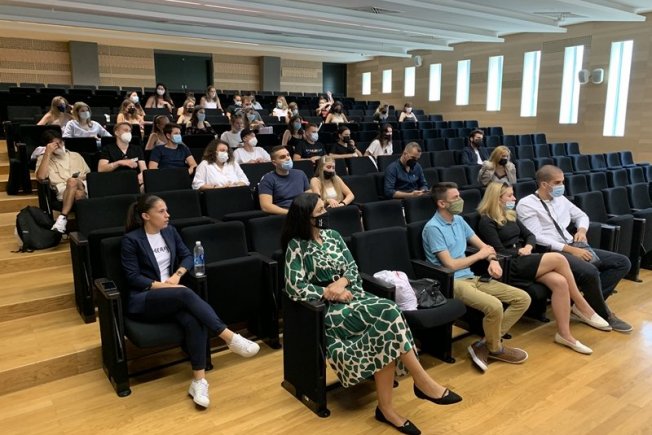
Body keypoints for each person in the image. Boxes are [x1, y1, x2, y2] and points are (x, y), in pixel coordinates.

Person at [283, 193, 462, 434]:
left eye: (324, 208)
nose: (325, 213)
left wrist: (342, 283)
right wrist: (329, 291)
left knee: (387, 323)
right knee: (388, 310)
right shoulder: (296, 246)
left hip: (354, 297)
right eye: (319, 211)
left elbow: (352, 269)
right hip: (328, 309)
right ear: (307, 218)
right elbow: (294, 286)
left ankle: (387, 408)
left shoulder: (333, 236)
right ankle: (420, 382)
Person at [121, 194, 260, 408]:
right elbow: (133, 278)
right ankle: (229, 337)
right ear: (146, 216)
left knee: (194, 319)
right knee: (185, 293)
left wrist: (177, 276)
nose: (167, 215)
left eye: (167, 210)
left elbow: (187, 256)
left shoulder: (170, 232)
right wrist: (166, 287)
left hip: (171, 295)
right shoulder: (131, 240)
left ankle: (198, 381)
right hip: (144, 299)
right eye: (161, 211)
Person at [477, 182, 610, 354]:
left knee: (560, 282)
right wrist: (520, 251)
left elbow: (530, 236)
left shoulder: (510, 215)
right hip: (509, 265)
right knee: (558, 258)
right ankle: (582, 304)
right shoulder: (486, 221)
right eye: (509, 195)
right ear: (497, 198)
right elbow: (498, 250)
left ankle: (564, 335)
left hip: (525, 258)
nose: (514, 198)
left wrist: (528, 247)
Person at [422, 182, 531, 372]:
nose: (460, 200)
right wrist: (480, 256)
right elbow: (450, 265)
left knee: (522, 298)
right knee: (495, 306)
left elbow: (485, 247)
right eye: (455, 197)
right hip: (452, 281)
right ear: (442, 203)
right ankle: (495, 348)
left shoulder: (459, 220)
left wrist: (492, 260)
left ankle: (484, 344)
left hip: (471, 277)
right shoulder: (433, 228)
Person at [516, 165, 633, 333]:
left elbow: (581, 215)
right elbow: (537, 237)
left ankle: (584, 305)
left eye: (562, 181)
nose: (562, 186)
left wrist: (582, 230)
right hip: (551, 251)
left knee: (622, 262)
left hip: (573, 244)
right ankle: (603, 313)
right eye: (557, 182)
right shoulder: (526, 204)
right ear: (544, 184)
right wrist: (571, 250)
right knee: (590, 271)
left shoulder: (560, 199)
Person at [35, 130, 90, 233]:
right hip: (63, 190)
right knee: (78, 194)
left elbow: (88, 175)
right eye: (56, 144)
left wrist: (78, 179)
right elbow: (41, 177)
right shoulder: (43, 159)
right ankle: (84, 228)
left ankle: (62, 218)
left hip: (82, 184)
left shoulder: (76, 155)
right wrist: (47, 153)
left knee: (72, 181)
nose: (60, 146)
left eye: (61, 142)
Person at [258, 145, 310, 215]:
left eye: (288, 155)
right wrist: (291, 213)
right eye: (282, 157)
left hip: (303, 211)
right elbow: (266, 206)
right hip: (284, 214)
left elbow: (310, 196)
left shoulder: (300, 174)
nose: (288, 158)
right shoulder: (267, 179)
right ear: (274, 163)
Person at [98, 122, 147, 187]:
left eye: (130, 131)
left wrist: (142, 175)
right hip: (114, 182)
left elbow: (143, 168)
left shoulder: (137, 149)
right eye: (125, 130)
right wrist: (119, 163)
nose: (128, 133)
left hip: (134, 181)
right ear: (116, 133)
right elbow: (101, 169)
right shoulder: (108, 149)